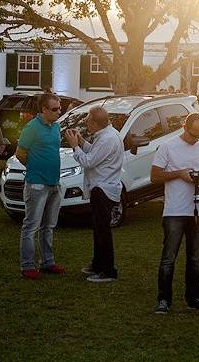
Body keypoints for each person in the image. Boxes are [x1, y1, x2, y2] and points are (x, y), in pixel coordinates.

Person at [150, 113, 199, 314]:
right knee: (169, 257)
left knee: (195, 257)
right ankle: (163, 300)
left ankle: (194, 297)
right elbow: (154, 176)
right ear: (183, 126)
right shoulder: (168, 146)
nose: (195, 138)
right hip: (175, 210)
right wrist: (179, 174)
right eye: (193, 133)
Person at [64, 106, 124, 283]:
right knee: (98, 229)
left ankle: (108, 270)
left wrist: (75, 147)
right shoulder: (107, 135)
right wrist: (82, 142)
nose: (86, 123)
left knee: (102, 231)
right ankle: (98, 264)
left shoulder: (107, 139)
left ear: (96, 123)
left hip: (103, 189)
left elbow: (89, 161)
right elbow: (95, 152)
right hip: (103, 187)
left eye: (88, 121)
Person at [17, 92, 66, 279]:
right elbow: (21, 153)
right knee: (31, 226)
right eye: (54, 109)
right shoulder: (31, 127)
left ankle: (47, 262)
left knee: (48, 226)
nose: (58, 112)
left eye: (59, 108)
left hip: (54, 183)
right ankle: (27, 265)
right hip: (36, 184)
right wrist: (35, 168)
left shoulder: (56, 127)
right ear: (44, 109)